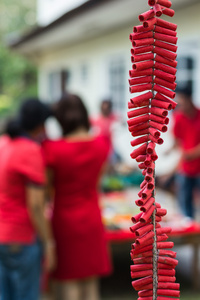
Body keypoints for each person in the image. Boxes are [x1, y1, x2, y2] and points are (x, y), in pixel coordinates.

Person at [42, 93, 112, 300]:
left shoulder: (52, 149)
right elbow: (97, 183)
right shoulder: (101, 144)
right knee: (91, 284)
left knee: (68, 282)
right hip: (92, 216)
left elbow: (46, 191)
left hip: (64, 221)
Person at [0, 98, 56, 300]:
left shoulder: (4, 143)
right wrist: (49, 244)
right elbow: (35, 206)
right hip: (20, 236)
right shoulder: (31, 150)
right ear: (41, 125)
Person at [172, 86, 200, 218]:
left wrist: (192, 154)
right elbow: (177, 140)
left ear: (189, 99)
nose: (179, 102)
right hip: (185, 168)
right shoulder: (178, 117)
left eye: (181, 99)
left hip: (198, 167)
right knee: (185, 204)